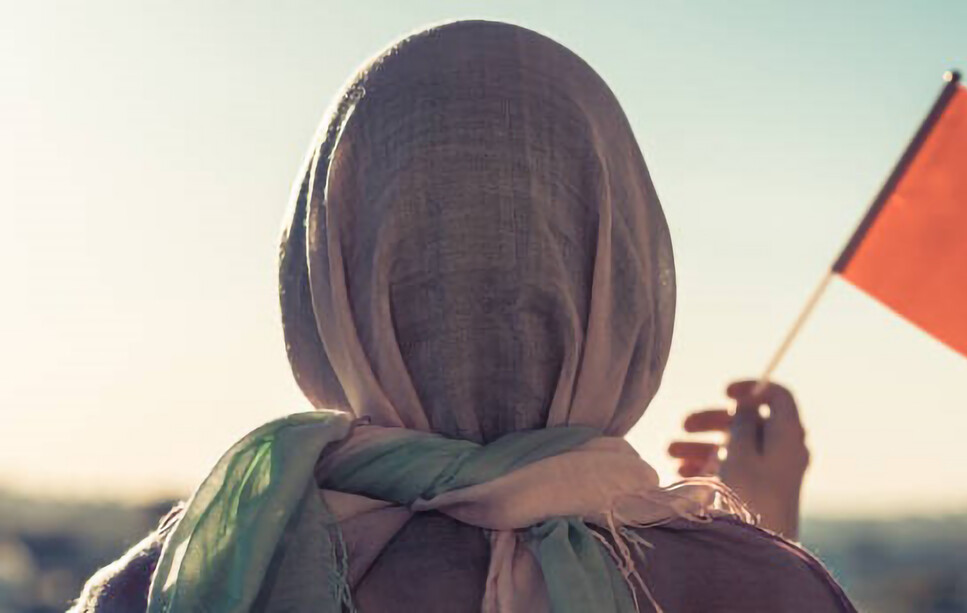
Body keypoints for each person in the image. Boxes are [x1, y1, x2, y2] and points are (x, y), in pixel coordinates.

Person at [71, 19, 855, 612]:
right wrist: (761, 535)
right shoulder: (760, 588)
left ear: (326, 268)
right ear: (623, 263)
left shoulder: (180, 582)